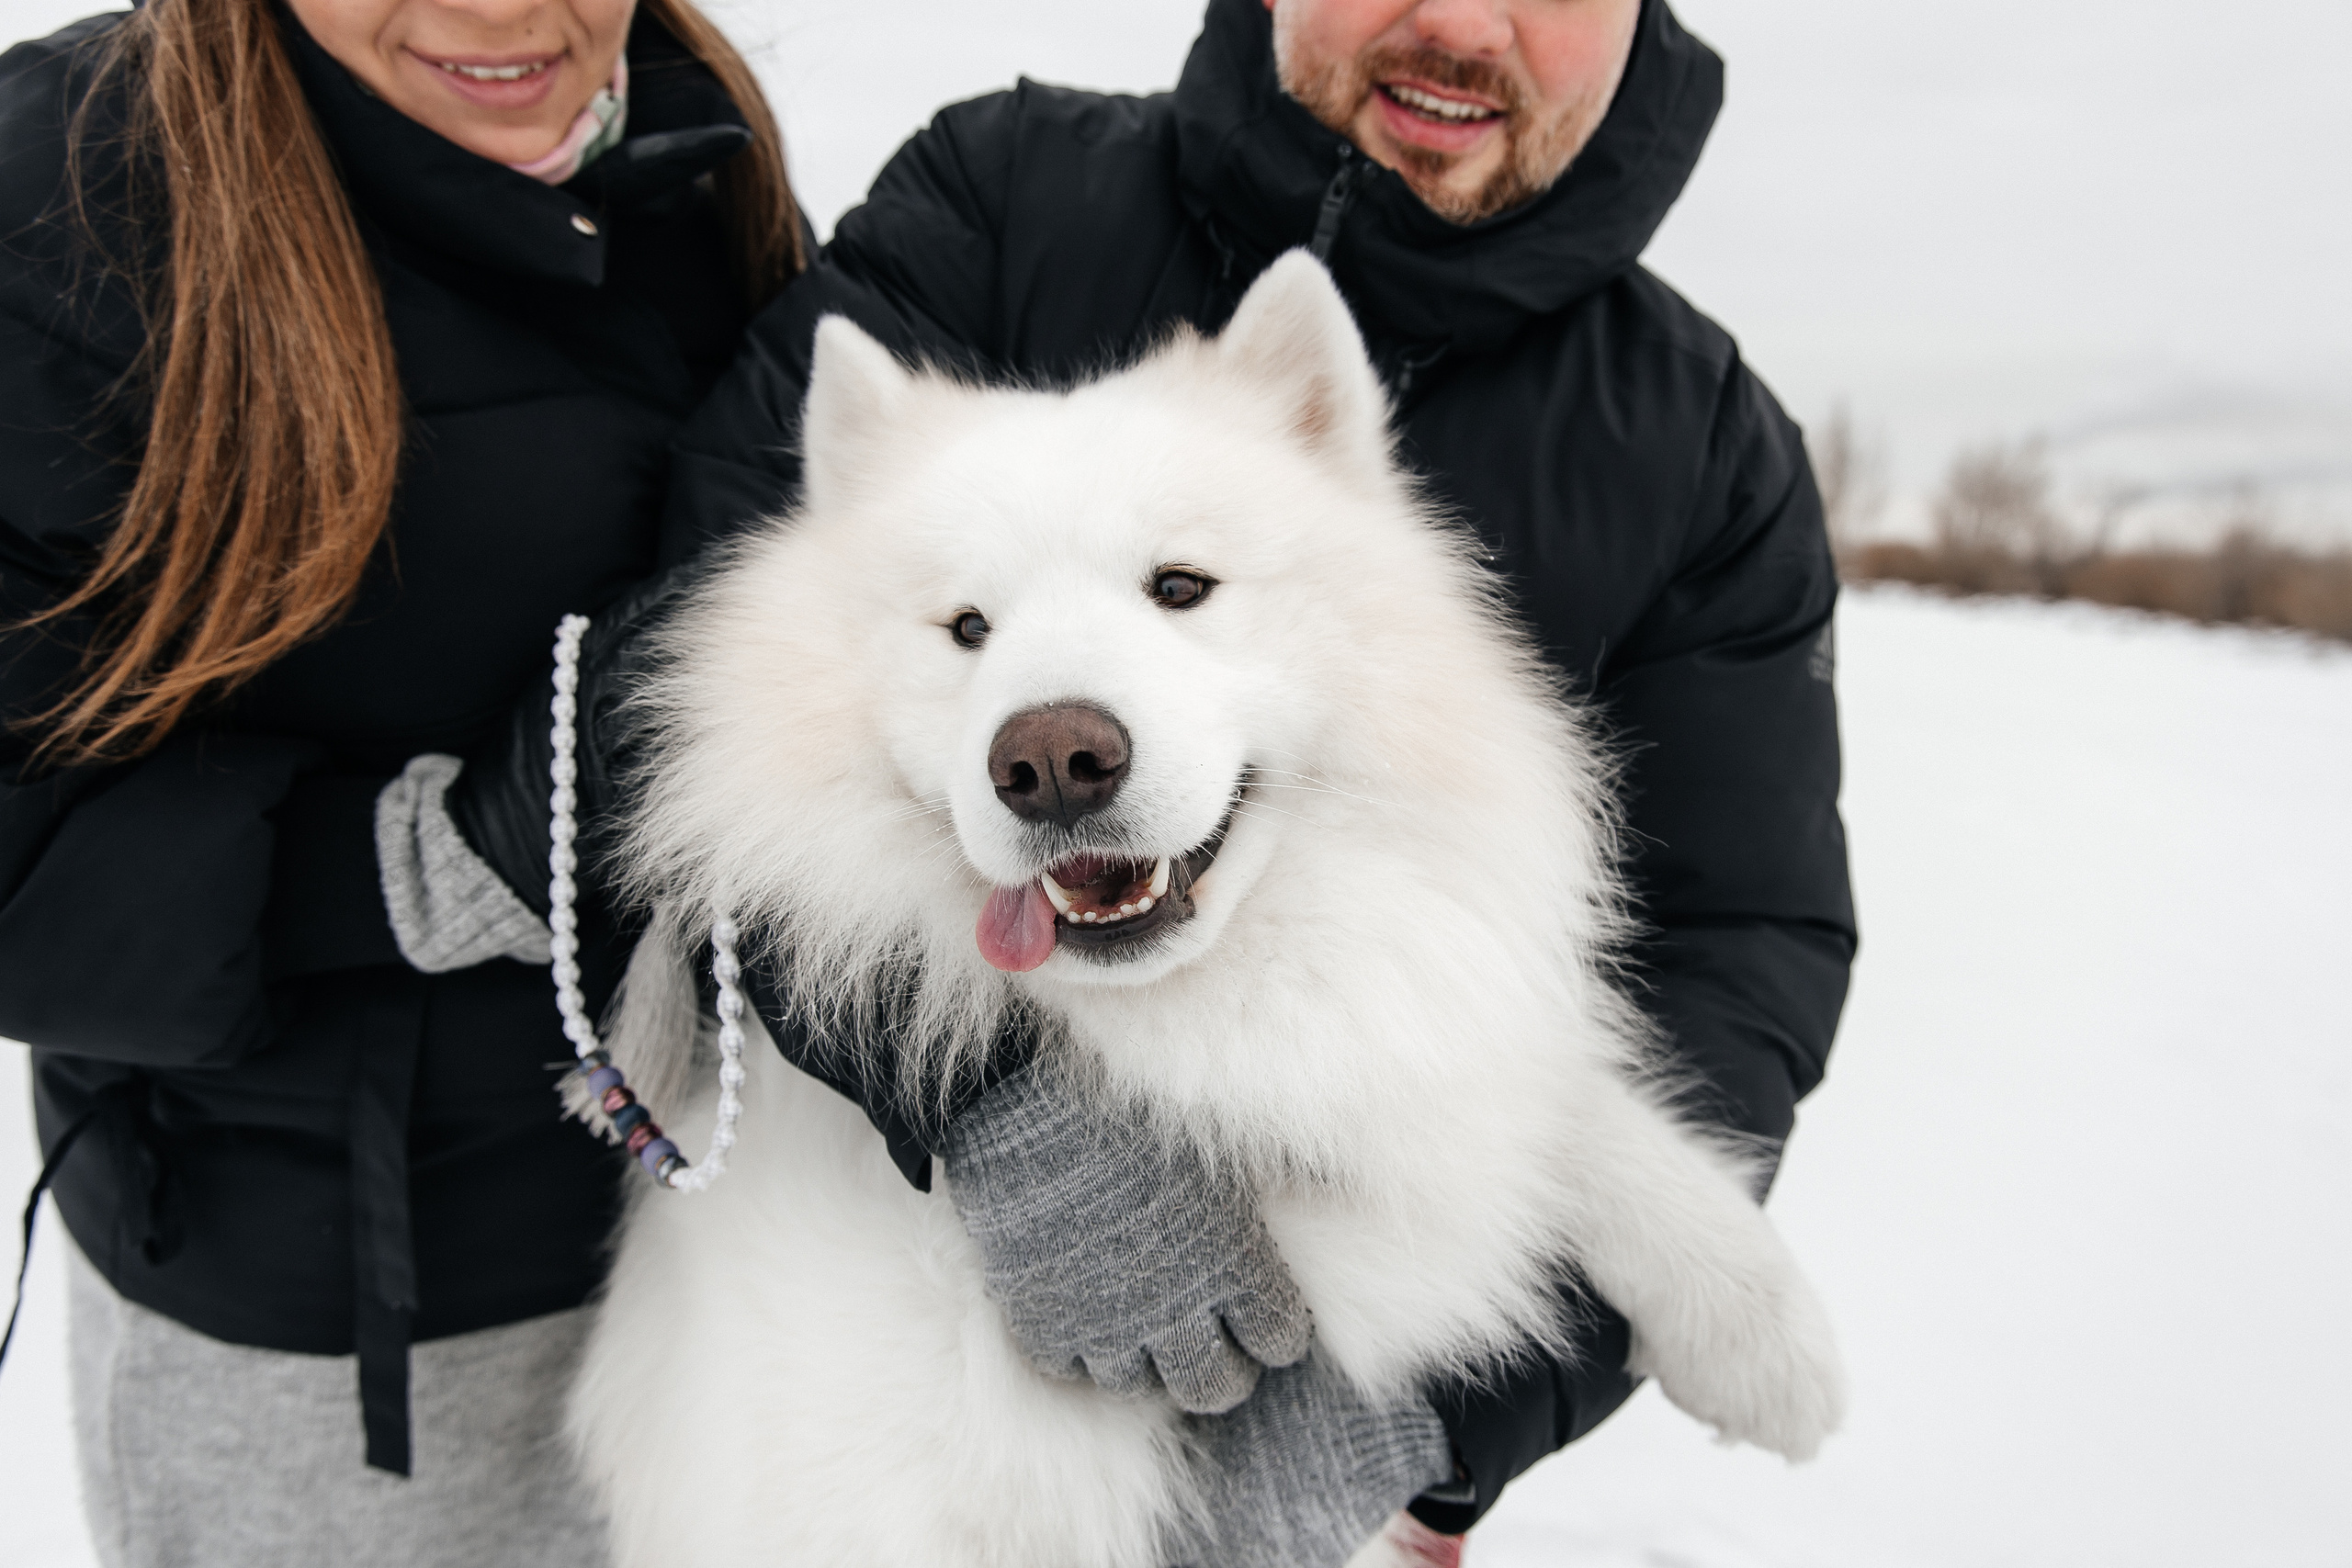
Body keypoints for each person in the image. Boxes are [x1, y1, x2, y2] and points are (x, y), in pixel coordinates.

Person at [641, 0, 1858, 1560]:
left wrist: (1425, 1437)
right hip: (858, 1232)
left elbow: (1739, 940)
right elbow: (705, 681)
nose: (1459, 18)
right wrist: (987, 1100)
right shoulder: (1005, 192)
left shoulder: (1699, 439)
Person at [0, 0, 802, 1559]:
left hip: (717, 1242)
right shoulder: (66, 208)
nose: (501, 11)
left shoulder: (686, 126)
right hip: (342, 1331)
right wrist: (428, 860)